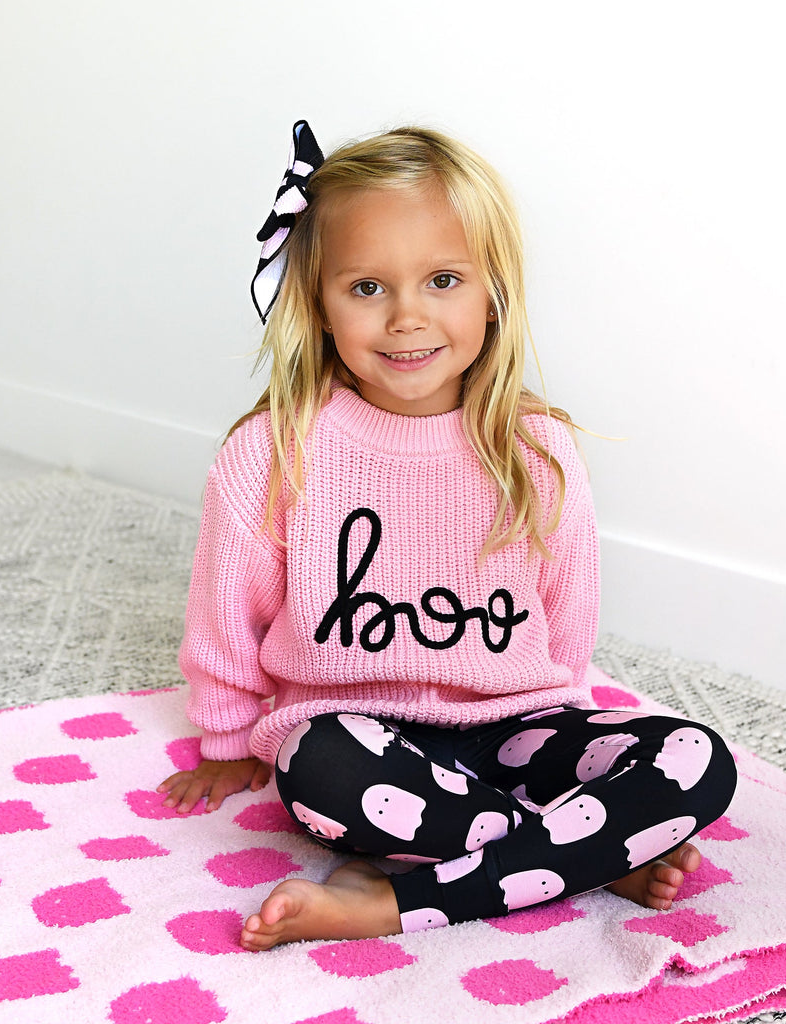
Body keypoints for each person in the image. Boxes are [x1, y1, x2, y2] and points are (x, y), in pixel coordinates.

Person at [158, 120, 737, 951]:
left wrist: (566, 724)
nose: (407, 317)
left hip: (517, 728)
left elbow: (566, 618)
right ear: (316, 302)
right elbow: (225, 611)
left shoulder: (536, 448)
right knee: (317, 768)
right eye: (367, 287)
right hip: (361, 736)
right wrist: (225, 737)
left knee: (697, 757)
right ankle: (584, 854)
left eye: (442, 279)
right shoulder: (276, 449)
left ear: (491, 292)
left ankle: (388, 898)